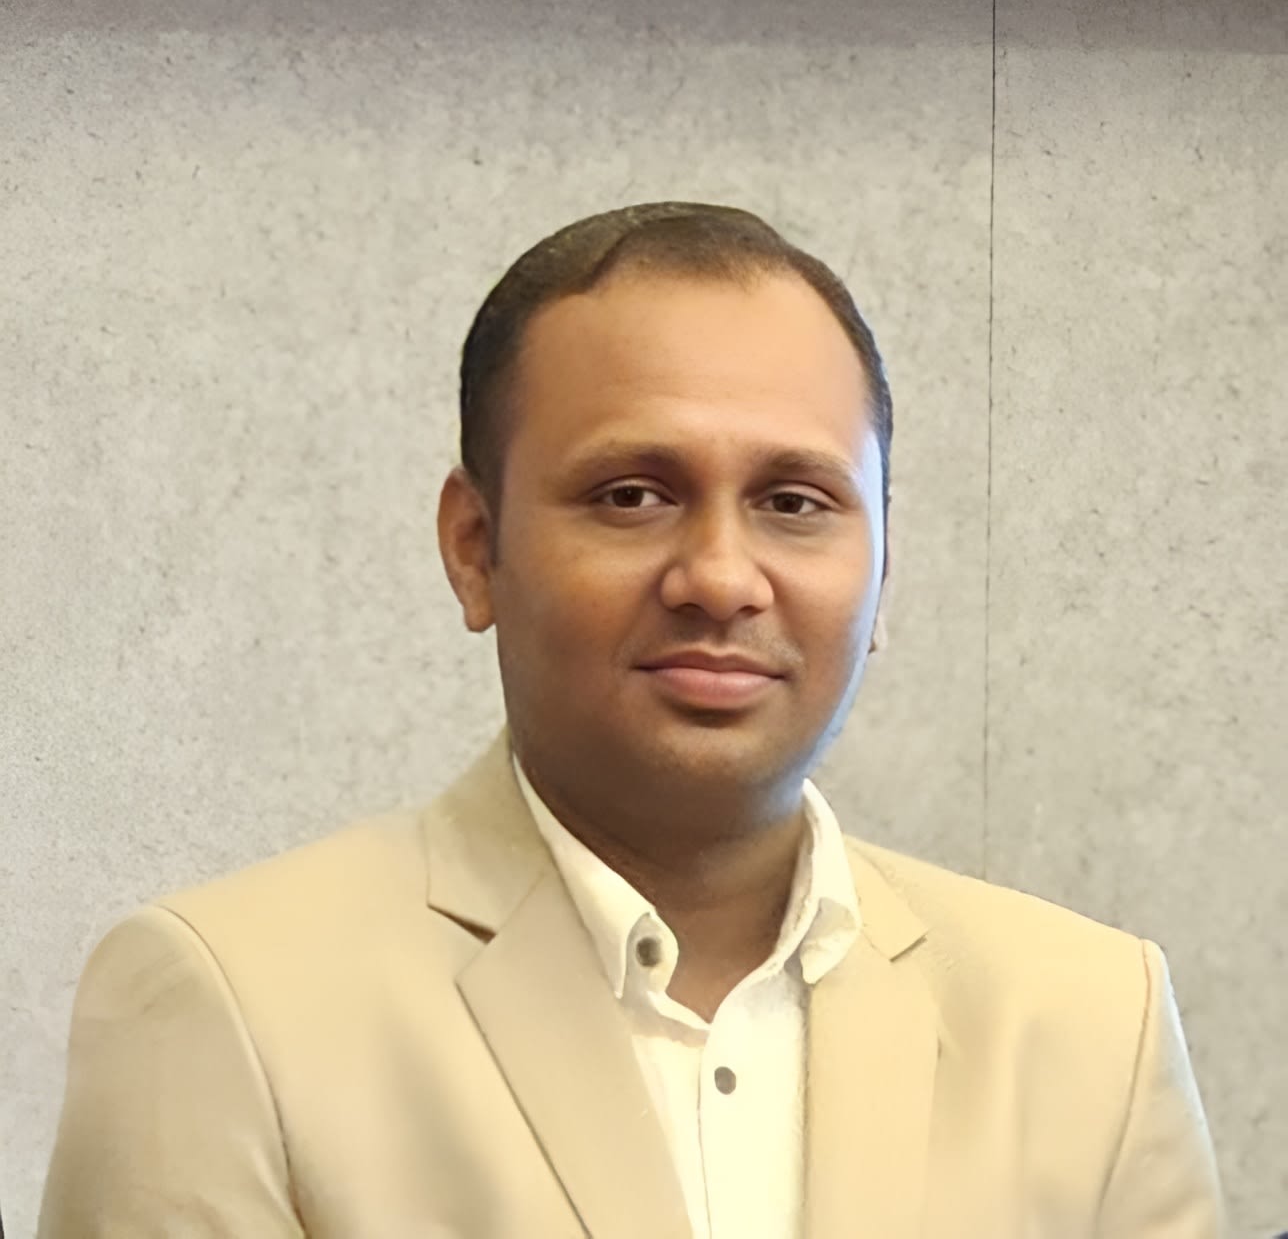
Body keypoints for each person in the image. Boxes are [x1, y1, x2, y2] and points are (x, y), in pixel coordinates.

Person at [38, 202, 1225, 1238]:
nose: (721, 576)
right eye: (632, 494)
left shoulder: (1087, 1020)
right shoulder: (234, 1005)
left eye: (793, 501)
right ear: (474, 548)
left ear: (881, 571)